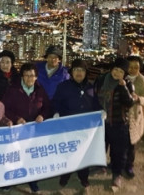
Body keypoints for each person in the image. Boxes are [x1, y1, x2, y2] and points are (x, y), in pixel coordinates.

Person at [3, 63, 52, 194]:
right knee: (14, 156)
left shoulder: (40, 91)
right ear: (22, 77)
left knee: (30, 157)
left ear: (36, 77)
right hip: (17, 130)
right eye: (26, 75)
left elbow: (48, 108)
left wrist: (42, 115)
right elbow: (5, 109)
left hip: (34, 131)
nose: (29, 78)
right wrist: (16, 118)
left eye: (32, 75)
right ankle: (11, 180)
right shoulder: (13, 90)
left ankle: (32, 182)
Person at [52, 59, 100, 192]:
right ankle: (65, 175)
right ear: (71, 72)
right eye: (76, 70)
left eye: (82, 70)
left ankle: (83, 176)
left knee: (84, 153)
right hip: (67, 127)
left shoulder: (91, 87)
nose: (79, 73)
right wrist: (56, 112)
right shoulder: (63, 86)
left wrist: (101, 112)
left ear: (86, 73)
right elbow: (55, 101)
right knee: (67, 153)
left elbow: (96, 104)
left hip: (85, 129)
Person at [95, 58, 134, 189]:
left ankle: (117, 174)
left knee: (118, 152)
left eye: (121, 71)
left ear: (125, 74)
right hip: (102, 123)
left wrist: (123, 87)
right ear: (111, 68)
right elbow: (95, 97)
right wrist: (98, 110)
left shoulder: (127, 84)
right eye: (115, 69)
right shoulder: (101, 80)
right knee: (100, 147)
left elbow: (129, 103)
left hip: (119, 123)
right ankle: (101, 166)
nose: (117, 73)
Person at [125, 56, 144, 178]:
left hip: (135, 115)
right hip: (121, 114)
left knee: (131, 144)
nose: (133, 69)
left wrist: (138, 98)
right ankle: (117, 163)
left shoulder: (142, 80)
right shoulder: (122, 77)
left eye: (136, 67)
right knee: (120, 142)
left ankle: (129, 165)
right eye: (130, 66)